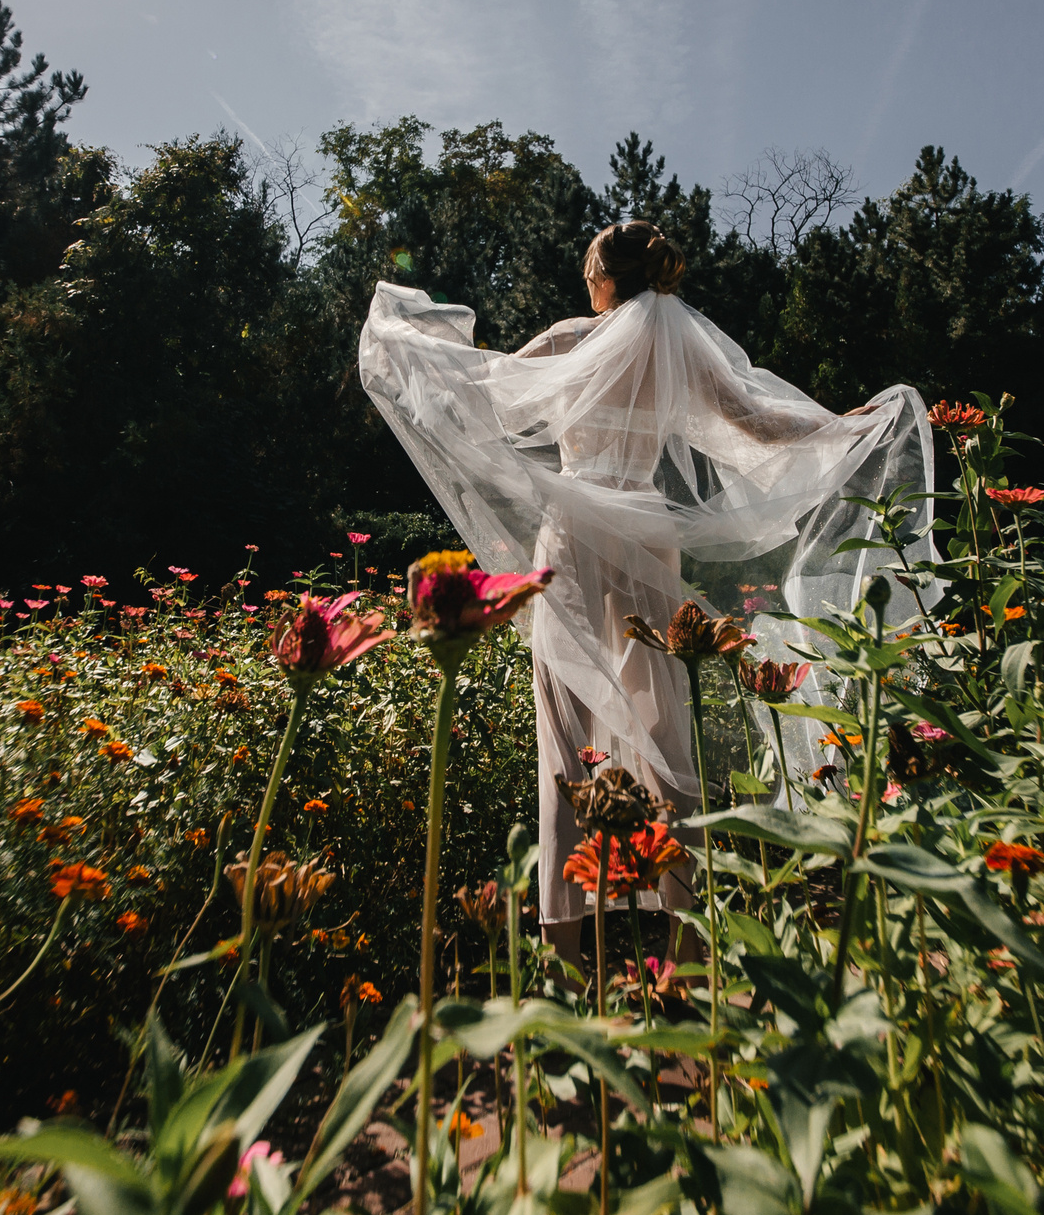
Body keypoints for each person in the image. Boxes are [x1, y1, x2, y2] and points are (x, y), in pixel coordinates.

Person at [358, 219, 932, 953]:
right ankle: (689, 941)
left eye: (587, 266)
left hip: (573, 525)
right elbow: (757, 422)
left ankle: (565, 943)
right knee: (667, 720)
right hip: (645, 529)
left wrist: (411, 342)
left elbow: (487, 393)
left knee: (564, 729)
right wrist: (837, 426)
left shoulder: (571, 340)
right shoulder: (678, 351)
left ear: (602, 276)